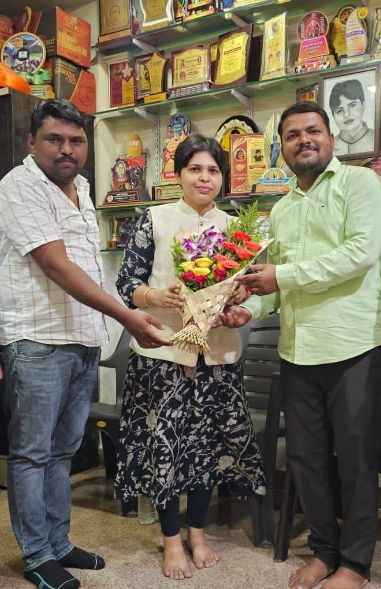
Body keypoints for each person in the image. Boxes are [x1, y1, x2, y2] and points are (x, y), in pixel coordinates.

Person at [0, 99, 170, 589]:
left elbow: (89, 267)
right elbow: (57, 265)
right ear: (32, 142)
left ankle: (59, 542)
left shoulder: (84, 188)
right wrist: (126, 316)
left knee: (63, 451)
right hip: (37, 340)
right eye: (54, 139)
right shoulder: (18, 186)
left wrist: (105, 327)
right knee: (32, 454)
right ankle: (37, 555)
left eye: (76, 141)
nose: (67, 149)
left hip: (83, 338)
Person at [226, 101, 381, 589]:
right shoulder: (281, 209)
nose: (304, 140)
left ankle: (355, 564)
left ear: (331, 138)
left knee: (355, 462)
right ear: (281, 147)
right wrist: (249, 309)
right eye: (293, 135)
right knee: (307, 459)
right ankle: (323, 551)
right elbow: (276, 289)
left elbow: (359, 254)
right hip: (297, 350)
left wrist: (280, 276)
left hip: (352, 347)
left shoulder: (360, 184)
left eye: (313, 131)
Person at [113, 134, 266, 581]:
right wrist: (155, 296)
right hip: (163, 353)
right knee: (165, 449)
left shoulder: (236, 227)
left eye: (213, 170)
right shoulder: (154, 219)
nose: (204, 178)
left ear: (223, 178)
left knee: (205, 451)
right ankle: (172, 541)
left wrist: (239, 300)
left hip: (217, 357)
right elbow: (126, 283)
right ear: (178, 174)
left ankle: (198, 534)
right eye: (195, 168)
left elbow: (250, 288)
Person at [329, 79, 374, 156]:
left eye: (352, 105)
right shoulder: (329, 148)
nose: (346, 115)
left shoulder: (376, 138)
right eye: (339, 111)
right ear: (333, 116)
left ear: (363, 105)